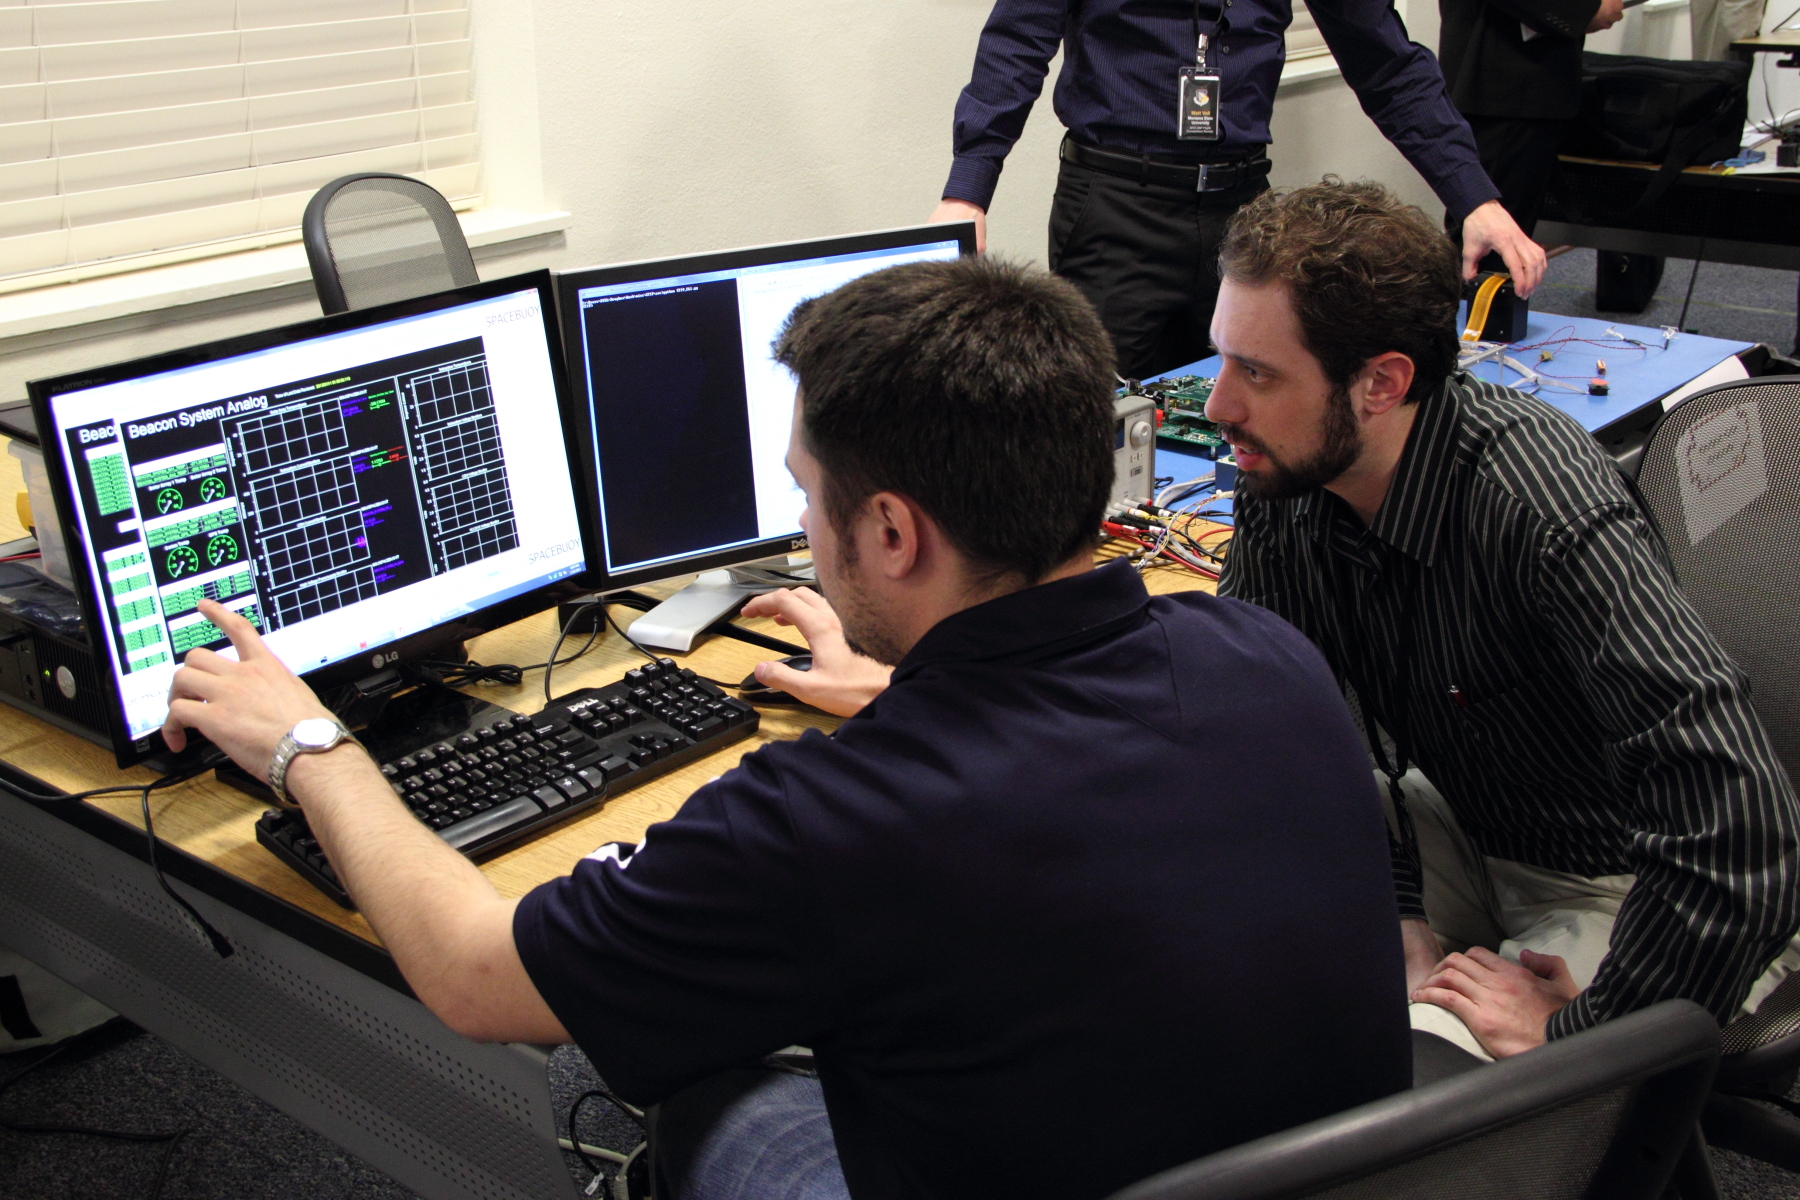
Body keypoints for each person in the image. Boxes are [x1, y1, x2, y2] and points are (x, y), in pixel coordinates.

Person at [162, 256, 1412, 1199]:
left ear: (891, 532)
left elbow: (478, 979)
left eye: (810, 496)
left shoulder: (832, 820)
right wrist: (910, 690)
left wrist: (306, 744)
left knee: (620, 1059)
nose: (803, 531)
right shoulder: (1263, 654)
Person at [1203, 179, 1800, 1060]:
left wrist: (1582, 1029)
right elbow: (1283, 735)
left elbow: (1742, 823)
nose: (1218, 406)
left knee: (1400, 1084)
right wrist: (1397, 899)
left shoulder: (1535, 502)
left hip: (1622, 878)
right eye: (1222, 358)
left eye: (1255, 371)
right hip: (1458, 820)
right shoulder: (1290, 478)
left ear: (1382, 383)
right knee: (1200, 951)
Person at [926, 0, 1548, 380]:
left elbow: (1387, 62)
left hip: (1246, 212)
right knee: (1098, 428)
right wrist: (968, 191)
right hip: (1117, 205)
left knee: (1254, 409)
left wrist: (1474, 196)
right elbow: (1015, 46)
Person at [1437, 0, 1624, 269]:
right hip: (1505, 85)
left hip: (1517, 85)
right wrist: (1586, 8)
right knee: (1490, 254)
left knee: (1499, 245)